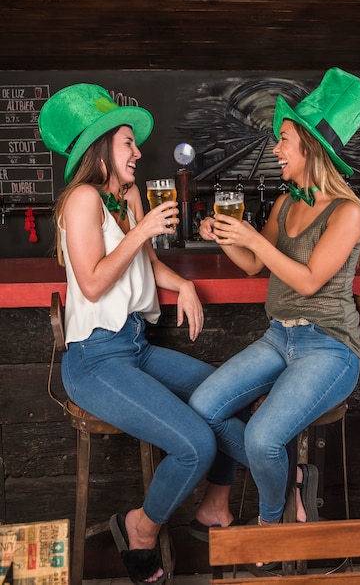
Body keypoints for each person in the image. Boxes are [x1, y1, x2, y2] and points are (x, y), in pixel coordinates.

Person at [188, 68, 360, 554]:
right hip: (280, 337)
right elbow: (255, 266)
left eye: (284, 140)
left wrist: (253, 237)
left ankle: (272, 530)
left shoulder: (348, 212)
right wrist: (229, 239)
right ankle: (290, 473)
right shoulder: (283, 204)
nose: (276, 149)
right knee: (203, 409)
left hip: (329, 348)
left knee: (261, 439)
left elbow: (311, 279)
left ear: (311, 148)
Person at [38, 83, 223, 585]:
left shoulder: (129, 196)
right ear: (101, 148)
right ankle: (139, 529)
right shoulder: (81, 200)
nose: (138, 151)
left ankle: (226, 504)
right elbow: (95, 283)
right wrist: (141, 232)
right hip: (94, 361)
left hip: (135, 347)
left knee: (225, 396)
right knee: (195, 445)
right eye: (128, 142)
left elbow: (148, 263)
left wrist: (183, 283)